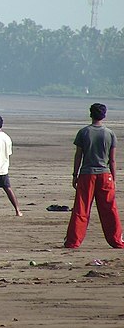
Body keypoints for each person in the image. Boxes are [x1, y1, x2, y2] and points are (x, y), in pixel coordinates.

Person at [64, 103, 124, 249]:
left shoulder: (84, 132)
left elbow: (78, 155)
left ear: (91, 114)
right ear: (104, 115)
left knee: (81, 209)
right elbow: (113, 160)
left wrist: (75, 174)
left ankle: (73, 241)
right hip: (105, 174)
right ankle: (117, 241)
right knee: (110, 209)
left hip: (86, 175)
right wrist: (114, 179)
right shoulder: (109, 134)